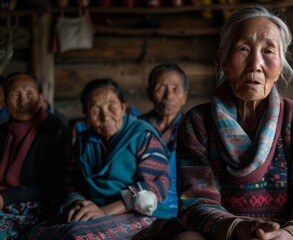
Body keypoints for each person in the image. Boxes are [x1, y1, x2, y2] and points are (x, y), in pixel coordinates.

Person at [173, 5, 293, 240]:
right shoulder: (198, 123)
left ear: (281, 64)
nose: (255, 63)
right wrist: (239, 229)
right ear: (222, 59)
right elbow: (195, 204)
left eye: (268, 51)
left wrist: (289, 234)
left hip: (287, 235)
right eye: (243, 49)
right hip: (226, 235)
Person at [29, 78, 170, 239]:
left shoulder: (142, 136)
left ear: (123, 108)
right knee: (38, 233)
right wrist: (79, 205)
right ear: (86, 116)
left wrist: (104, 211)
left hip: (141, 212)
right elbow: (73, 182)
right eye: (95, 110)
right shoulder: (83, 142)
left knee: (78, 235)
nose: (105, 116)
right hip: (96, 208)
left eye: (111, 106)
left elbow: (155, 187)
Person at [0, 72, 71, 239]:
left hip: (36, 204)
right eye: (15, 94)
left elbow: (50, 185)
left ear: (41, 98)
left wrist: (4, 198)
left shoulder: (55, 129)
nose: (23, 100)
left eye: (29, 93)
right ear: (5, 101)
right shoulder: (3, 131)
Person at [133, 63, 189, 239]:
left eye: (175, 89)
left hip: (179, 211)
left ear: (185, 96)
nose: (168, 96)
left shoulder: (193, 128)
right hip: (139, 205)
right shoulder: (136, 127)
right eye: (160, 88)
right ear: (150, 93)